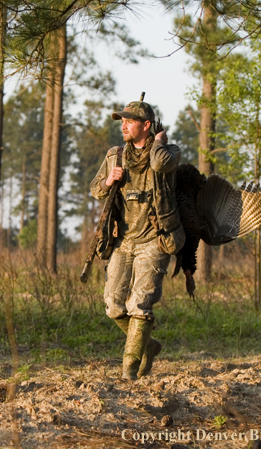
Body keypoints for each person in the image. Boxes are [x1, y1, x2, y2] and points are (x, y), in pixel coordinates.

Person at [90, 100, 185, 380]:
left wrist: (158, 140)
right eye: (122, 121)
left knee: (139, 304)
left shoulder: (169, 152)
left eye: (130, 121)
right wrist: (109, 180)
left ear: (146, 126)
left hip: (155, 240)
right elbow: (95, 190)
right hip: (124, 241)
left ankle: (128, 371)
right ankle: (148, 345)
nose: (123, 125)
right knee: (113, 305)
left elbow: (158, 162)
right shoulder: (114, 156)